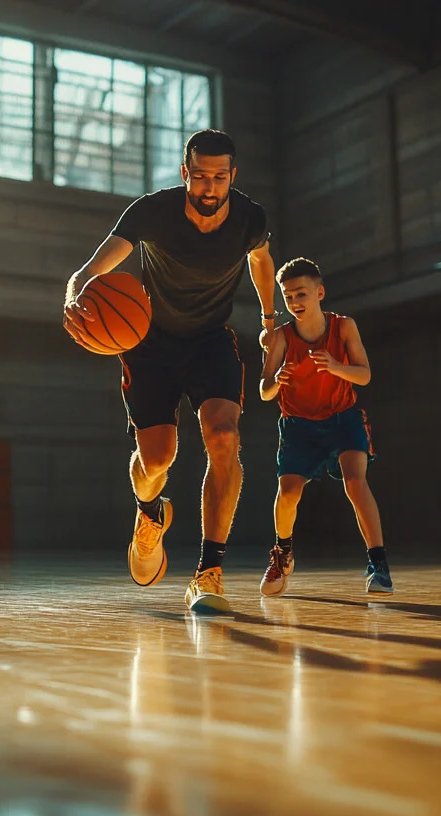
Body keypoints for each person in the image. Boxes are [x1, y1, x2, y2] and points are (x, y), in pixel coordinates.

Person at [63, 130, 277, 613]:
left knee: (223, 437)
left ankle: (208, 573)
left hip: (210, 341)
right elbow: (91, 269)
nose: (208, 186)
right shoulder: (152, 212)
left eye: (219, 177)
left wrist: (268, 317)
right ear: (186, 174)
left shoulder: (250, 218)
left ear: (232, 177)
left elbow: (262, 260)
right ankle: (148, 512)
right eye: (200, 175)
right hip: (149, 343)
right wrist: (75, 292)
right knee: (157, 459)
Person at [256, 258, 390, 597]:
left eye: (301, 294)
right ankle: (282, 553)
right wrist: (276, 381)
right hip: (299, 425)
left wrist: (334, 366)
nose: (295, 303)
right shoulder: (281, 337)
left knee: (356, 483)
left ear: (320, 292)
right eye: (288, 297)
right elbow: (263, 390)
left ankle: (379, 564)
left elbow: (365, 374)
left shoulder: (344, 327)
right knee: (288, 492)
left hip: (342, 417)